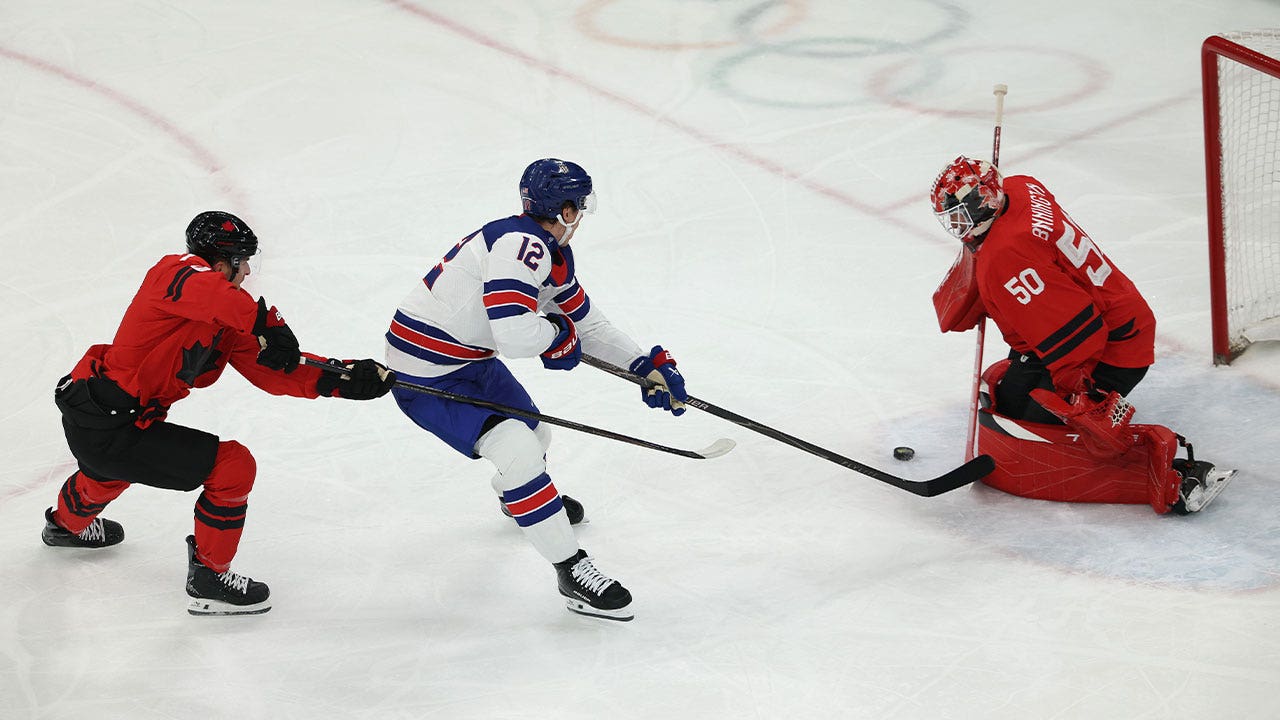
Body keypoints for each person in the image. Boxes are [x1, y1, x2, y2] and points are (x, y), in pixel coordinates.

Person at [44, 211, 396, 616]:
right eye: (241, 260)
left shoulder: (224, 322)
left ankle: (65, 525)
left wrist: (343, 378)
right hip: (110, 422)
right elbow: (207, 290)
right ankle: (210, 579)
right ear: (219, 260)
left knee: (108, 471)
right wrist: (264, 320)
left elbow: (274, 370)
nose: (247, 270)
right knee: (232, 465)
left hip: (105, 423)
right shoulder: (175, 273)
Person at [384, 158, 689, 622]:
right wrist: (554, 335)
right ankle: (572, 570)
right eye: (578, 207)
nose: (580, 216)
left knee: (537, 437)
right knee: (518, 451)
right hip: (425, 373)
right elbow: (514, 333)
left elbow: (588, 324)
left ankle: (521, 500)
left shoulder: (539, 248)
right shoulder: (524, 246)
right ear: (565, 210)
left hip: (467, 360)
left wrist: (643, 366)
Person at [929, 156, 1233, 514]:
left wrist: (1078, 391)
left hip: (1114, 346)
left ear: (986, 200)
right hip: (1123, 314)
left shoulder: (1006, 256)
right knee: (1007, 402)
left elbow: (1077, 332)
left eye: (963, 212)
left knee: (1030, 427)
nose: (958, 224)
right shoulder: (1020, 187)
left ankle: (1173, 477)